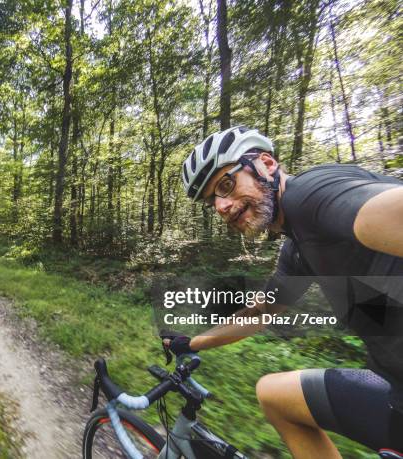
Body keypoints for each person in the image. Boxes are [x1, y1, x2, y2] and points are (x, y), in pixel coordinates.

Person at [166, 125, 403, 458]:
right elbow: (260, 314)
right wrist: (191, 342)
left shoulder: (310, 197)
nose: (220, 205)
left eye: (226, 183)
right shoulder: (297, 248)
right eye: (212, 200)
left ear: (267, 164)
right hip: (392, 385)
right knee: (274, 396)